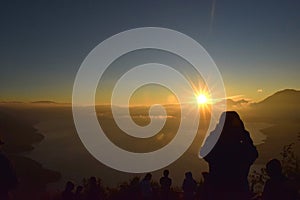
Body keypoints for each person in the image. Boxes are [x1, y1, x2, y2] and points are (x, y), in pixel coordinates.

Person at [201, 111, 258, 200]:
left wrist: (215, 132)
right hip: (239, 190)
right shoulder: (241, 147)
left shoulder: (217, 147)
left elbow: (203, 152)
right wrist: (245, 134)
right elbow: (253, 155)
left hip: (217, 191)